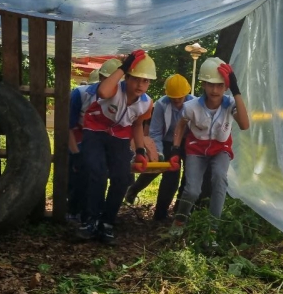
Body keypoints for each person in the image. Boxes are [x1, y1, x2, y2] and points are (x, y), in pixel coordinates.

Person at [77, 50, 156, 244]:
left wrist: (139, 151)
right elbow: (102, 92)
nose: (140, 85)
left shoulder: (146, 104)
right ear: (127, 77)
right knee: (98, 173)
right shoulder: (113, 89)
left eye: (145, 81)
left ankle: (107, 223)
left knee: (122, 178)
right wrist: (124, 66)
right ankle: (90, 221)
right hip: (95, 131)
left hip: (119, 136)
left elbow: (137, 125)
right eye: (136, 79)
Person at [169, 58, 250, 237]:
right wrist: (175, 148)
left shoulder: (230, 104)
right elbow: (181, 125)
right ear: (204, 84)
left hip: (220, 148)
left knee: (220, 179)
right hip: (196, 149)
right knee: (192, 190)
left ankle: (213, 228)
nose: (215, 90)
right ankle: (180, 219)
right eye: (211, 84)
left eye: (220, 85)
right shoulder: (191, 107)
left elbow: (244, 124)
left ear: (226, 87)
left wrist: (236, 90)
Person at [124, 74, 194, 220]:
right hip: (167, 141)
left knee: (189, 177)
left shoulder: (195, 104)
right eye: (173, 98)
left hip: (188, 142)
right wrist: (159, 152)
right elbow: (155, 132)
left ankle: (180, 213)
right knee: (170, 175)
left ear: (186, 94)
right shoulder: (161, 105)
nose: (176, 101)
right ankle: (159, 215)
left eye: (179, 98)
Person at [66, 58, 122, 222]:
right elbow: (68, 127)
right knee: (78, 174)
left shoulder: (121, 99)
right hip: (78, 138)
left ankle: (96, 211)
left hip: (102, 141)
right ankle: (73, 209)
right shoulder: (80, 94)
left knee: (101, 174)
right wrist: (76, 154)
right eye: (107, 80)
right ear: (102, 79)